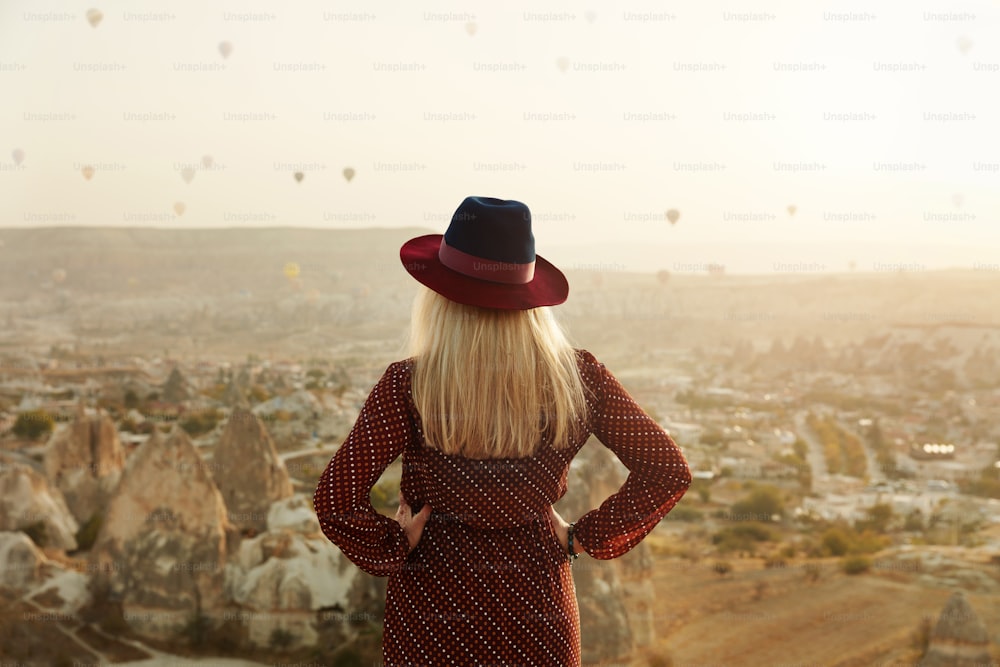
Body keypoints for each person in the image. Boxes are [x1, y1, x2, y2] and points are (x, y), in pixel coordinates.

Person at [313, 196, 692, 666]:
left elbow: (335, 499)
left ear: (439, 297)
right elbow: (667, 471)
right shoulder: (579, 379)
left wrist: (394, 546)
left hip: (434, 603)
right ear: (530, 299)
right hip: (537, 605)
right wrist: (582, 538)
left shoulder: (409, 385)